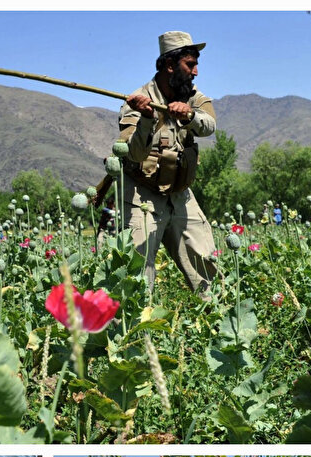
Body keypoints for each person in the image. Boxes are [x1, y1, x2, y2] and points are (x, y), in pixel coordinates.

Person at [119, 31, 217, 294]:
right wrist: (147, 118)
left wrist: (189, 115)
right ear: (170, 65)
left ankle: (220, 327)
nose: (196, 72)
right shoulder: (136, 101)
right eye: (190, 64)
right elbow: (135, 155)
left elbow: (209, 126)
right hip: (142, 195)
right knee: (137, 276)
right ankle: (139, 333)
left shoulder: (194, 96)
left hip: (180, 193)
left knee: (207, 266)